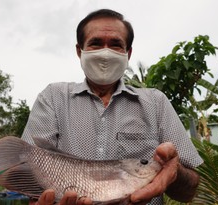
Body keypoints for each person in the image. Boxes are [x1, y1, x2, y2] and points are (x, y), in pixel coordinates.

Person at [22, 8, 203, 205]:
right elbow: (28, 177)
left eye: (116, 45)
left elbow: (189, 191)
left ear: (128, 53)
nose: (105, 53)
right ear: (79, 50)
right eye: (96, 43)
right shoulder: (53, 98)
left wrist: (173, 170)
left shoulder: (155, 103)